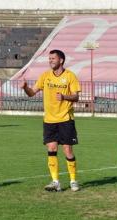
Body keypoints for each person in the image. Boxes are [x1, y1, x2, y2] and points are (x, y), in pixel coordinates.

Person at [21, 49, 81, 192]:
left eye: (53, 58)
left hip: (66, 119)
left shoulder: (70, 76)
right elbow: (31, 93)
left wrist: (65, 97)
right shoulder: (45, 76)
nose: (51, 61)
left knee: (67, 150)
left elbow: (76, 97)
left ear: (61, 60)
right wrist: (25, 88)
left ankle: (73, 180)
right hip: (49, 120)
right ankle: (55, 182)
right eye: (49, 59)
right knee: (52, 149)